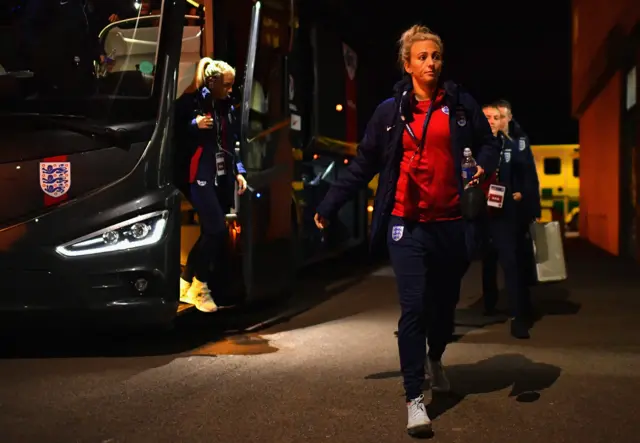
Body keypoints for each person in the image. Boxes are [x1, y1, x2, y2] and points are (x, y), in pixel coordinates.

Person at [313, 25, 501, 436]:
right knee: (413, 306)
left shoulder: (460, 104)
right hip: (407, 224)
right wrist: (329, 205)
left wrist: (485, 165)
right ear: (407, 63)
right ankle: (415, 397)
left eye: (435, 55)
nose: (430, 62)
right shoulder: (389, 112)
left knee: (444, 306)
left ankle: (435, 356)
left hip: (452, 222)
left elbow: (490, 144)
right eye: (422, 57)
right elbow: (363, 165)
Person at [176, 58, 248, 313]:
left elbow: (233, 141)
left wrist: (238, 171)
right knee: (216, 230)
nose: (230, 90)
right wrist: (193, 125)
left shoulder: (227, 105)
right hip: (197, 173)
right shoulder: (192, 102)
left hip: (220, 174)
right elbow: (171, 133)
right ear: (212, 81)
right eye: (226, 85)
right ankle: (200, 286)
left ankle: (185, 282)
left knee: (211, 230)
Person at [480, 104, 532, 339]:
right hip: (477, 210)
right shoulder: (472, 146)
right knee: (469, 261)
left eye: (496, 117)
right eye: (487, 117)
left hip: (504, 212)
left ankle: (518, 317)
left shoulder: (512, 146)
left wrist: (521, 192)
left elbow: (525, 175)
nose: (491, 121)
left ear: (503, 121)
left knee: (510, 263)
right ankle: (442, 319)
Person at [495, 100, 541, 304]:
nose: (500, 121)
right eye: (497, 117)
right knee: (491, 259)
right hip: (494, 206)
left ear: (510, 117)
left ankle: (521, 305)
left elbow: (527, 173)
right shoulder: (490, 140)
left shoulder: (518, 140)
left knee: (516, 258)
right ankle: (491, 303)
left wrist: (524, 195)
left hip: (515, 208)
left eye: (502, 117)